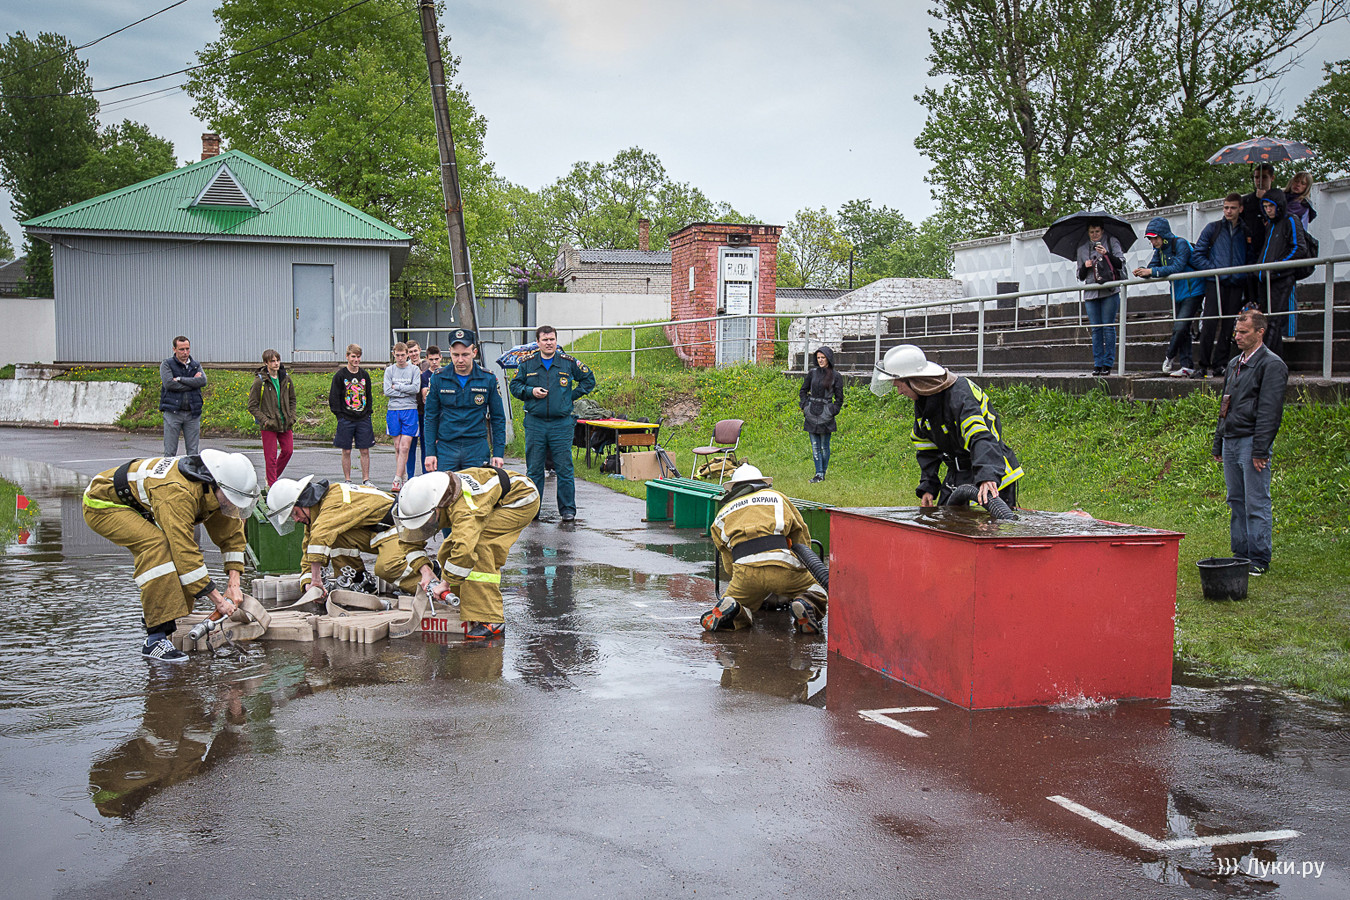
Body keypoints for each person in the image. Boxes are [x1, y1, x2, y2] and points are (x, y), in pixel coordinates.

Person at [82, 450, 260, 662]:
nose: (231, 505)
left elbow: (231, 536)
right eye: (230, 499)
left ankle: (157, 610)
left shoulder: (213, 489)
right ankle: (154, 640)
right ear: (215, 485)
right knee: (157, 547)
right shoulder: (177, 493)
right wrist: (219, 601)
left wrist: (234, 584)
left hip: (139, 502)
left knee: (173, 550)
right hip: (102, 504)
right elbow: (185, 553)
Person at [392, 467, 541, 640]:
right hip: (490, 498)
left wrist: (445, 583)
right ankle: (462, 602)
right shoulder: (429, 495)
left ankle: (491, 618)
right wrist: (425, 571)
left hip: (520, 498)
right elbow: (409, 541)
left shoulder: (464, 508)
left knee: (479, 547)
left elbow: (465, 550)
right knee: (448, 550)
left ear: (436, 508)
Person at [871, 344, 1023, 508]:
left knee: (986, 523)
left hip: (991, 472)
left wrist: (987, 475)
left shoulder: (959, 394)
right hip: (959, 473)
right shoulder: (924, 399)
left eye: (899, 386)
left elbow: (980, 436)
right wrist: (928, 486)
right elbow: (926, 447)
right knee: (946, 519)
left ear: (914, 380)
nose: (899, 392)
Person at [699, 464, 828, 635]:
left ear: (733, 488)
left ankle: (734, 609)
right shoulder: (777, 498)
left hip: (745, 570)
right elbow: (800, 534)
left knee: (737, 602)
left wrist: (740, 578)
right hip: (781, 564)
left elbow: (728, 562)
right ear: (763, 483)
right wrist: (801, 567)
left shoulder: (723, 513)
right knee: (818, 590)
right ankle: (805, 603)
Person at [263, 475, 431, 600]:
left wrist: (316, 580)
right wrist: (307, 584)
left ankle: (431, 584)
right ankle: (358, 582)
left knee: (387, 567)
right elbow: (310, 547)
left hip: (401, 525)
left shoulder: (333, 501)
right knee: (336, 537)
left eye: (295, 513)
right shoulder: (317, 513)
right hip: (380, 529)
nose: (296, 519)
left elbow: (320, 536)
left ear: (304, 501)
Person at [1211, 310, 1287, 577]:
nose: (1238, 336)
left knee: (1256, 500)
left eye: (1244, 332)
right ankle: (1240, 553)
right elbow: (1225, 405)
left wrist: (1260, 449)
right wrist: (1218, 440)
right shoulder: (1235, 363)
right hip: (1231, 439)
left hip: (1251, 440)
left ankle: (1259, 557)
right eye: (1236, 331)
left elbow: (1270, 411)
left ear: (1260, 332)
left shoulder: (1272, 365)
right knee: (1235, 499)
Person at [509, 325, 596, 522]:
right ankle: (532, 509)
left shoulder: (567, 362)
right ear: (538, 342)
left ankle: (567, 509)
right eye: (545, 340)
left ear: (556, 341)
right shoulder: (527, 364)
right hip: (535, 422)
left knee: (564, 468)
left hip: (561, 424)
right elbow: (514, 386)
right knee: (534, 469)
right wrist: (530, 391)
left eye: (552, 339)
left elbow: (589, 380)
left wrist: (569, 396)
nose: (549, 343)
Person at [425, 330, 506, 472]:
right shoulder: (438, 378)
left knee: (477, 486)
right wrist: (430, 452)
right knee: (447, 486)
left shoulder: (488, 379)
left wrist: (498, 453)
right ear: (450, 352)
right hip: (447, 448)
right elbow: (430, 417)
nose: (460, 360)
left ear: (474, 353)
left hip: (476, 448)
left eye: (465, 354)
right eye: (456, 355)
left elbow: (498, 418)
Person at [1133, 217, 1205, 378]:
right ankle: (1186, 366)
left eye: (1155, 238)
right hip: (1178, 293)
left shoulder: (1180, 244)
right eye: (1150, 239)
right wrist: (1143, 271)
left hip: (1193, 290)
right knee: (1183, 329)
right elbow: (1153, 267)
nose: (1153, 242)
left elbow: (1177, 267)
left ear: (1163, 235)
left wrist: (1151, 272)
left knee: (1180, 326)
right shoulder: (1159, 250)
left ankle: (1169, 356)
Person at [1191, 195, 1252, 378]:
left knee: (1229, 326)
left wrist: (1242, 274)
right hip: (1215, 283)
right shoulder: (1213, 228)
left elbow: (1250, 257)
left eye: (1232, 208)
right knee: (1209, 324)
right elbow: (1197, 255)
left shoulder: (1246, 231)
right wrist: (1215, 270)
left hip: (1236, 283)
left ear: (1240, 209)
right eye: (1226, 207)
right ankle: (1203, 364)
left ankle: (1220, 364)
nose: (1228, 211)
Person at [1254, 187, 1301, 355]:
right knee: (1267, 320)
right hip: (1266, 278)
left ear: (1279, 205)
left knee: (1273, 321)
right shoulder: (1270, 225)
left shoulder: (1291, 220)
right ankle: (1274, 358)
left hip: (1281, 277)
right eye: (1265, 207)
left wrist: (1278, 266)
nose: (1268, 210)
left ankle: (1264, 358)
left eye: (1271, 206)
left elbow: (1298, 248)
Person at [1075, 223, 1126, 376]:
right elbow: (1080, 276)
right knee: (1096, 329)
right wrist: (1085, 266)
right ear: (1088, 232)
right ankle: (1097, 363)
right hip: (1091, 293)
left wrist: (1106, 254)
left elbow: (1120, 263)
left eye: (1097, 231)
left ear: (1102, 231)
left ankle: (1108, 363)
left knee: (1108, 327)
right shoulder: (1082, 249)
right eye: (1092, 232)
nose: (1095, 234)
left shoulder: (1111, 241)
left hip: (1109, 290)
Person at [247, 349, 298, 486]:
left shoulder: (286, 379)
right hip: (269, 424)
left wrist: (292, 417)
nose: (276, 363)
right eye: (272, 361)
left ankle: (271, 477)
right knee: (270, 458)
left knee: (288, 451)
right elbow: (252, 406)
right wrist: (265, 420)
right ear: (266, 363)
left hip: (285, 422)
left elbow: (292, 400)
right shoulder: (260, 382)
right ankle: (271, 485)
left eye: (277, 360)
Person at [329, 344, 375, 485]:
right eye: (353, 356)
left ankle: (366, 479)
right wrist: (340, 416)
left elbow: (368, 395)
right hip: (346, 419)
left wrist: (367, 412)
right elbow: (334, 397)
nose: (356, 360)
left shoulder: (364, 375)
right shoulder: (340, 376)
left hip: (363, 418)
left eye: (358, 357)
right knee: (346, 451)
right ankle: (348, 479)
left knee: (365, 450)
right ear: (347, 357)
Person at [799, 346, 844, 482]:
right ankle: (818, 473)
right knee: (815, 446)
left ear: (828, 358)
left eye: (823, 357)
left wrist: (832, 410)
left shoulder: (836, 376)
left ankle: (822, 473)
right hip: (811, 412)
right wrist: (805, 406)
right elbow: (803, 390)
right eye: (818, 358)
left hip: (826, 414)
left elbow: (839, 398)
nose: (820, 360)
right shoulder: (812, 373)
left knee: (824, 446)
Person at [382, 342, 421, 491]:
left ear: (407, 355)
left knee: (405, 447)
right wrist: (405, 391)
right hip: (393, 410)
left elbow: (415, 388)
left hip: (409, 409)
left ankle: (396, 479)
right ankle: (403, 476)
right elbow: (387, 391)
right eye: (397, 355)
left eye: (403, 355)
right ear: (394, 355)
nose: (400, 358)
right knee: (398, 447)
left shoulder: (414, 369)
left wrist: (397, 387)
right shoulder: (390, 370)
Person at [160, 336, 206, 456]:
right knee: (170, 452)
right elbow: (169, 384)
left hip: (193, 413)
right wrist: (193, 383)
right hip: (173, 412)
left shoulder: (195, 365)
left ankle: (191, 469)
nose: (185, 352)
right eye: (181, 349)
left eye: (187, 349)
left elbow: (202, 381)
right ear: (174, 349)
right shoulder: (167, 364)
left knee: (193, 453)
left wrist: (180, 379)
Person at [418, 344, 441, 474]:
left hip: (443, 414)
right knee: (427, 445)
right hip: (428, 414)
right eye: (431, 359)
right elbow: (424, 395)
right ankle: (426, 472)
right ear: (426, 359)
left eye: (436, 359)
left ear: (441, 358)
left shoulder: (444, 373)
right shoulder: (424, 376)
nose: (434, 362)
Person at [405, 340, 425, 480]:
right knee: (409, 446)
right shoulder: (405, 368)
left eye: (415, 351)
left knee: (426, 444)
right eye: (410, 352)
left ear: (420, 350)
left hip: (425, 412)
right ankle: (410, 476)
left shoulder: (427, 364)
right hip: (411, 411)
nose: (413, 354)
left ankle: (426, 475)